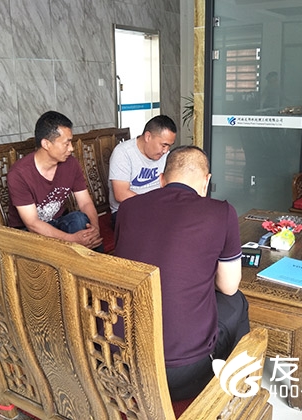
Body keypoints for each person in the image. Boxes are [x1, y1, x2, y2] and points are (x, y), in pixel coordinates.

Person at [114, 145, 250, 400]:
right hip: (181, 375)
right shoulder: (221, 212)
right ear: (206, 181)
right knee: (237, 300)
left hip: (122, 363)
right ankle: (235, 392)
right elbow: (229, 286)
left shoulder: (128, 208)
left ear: (161, 179)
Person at [7, 111, 103, 250]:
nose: (71, 148)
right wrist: (72, 240)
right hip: (28, 233)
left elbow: (85, 202)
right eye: (66, 143)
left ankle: (96, 263)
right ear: (46, 144)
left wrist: (95, 229)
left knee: (79, 219)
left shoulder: (71, 163)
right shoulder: (19, 174)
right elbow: (32, 223)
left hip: (58, 222)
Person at [108, 115, 177, 226]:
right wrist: (153, 205)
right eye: (164, 145)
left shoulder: (165, 155)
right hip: (128, 210)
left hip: (157, 208)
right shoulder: (123, 153)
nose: (166, 151)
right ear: (148, 137)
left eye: (169, 146)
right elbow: (121, 194)